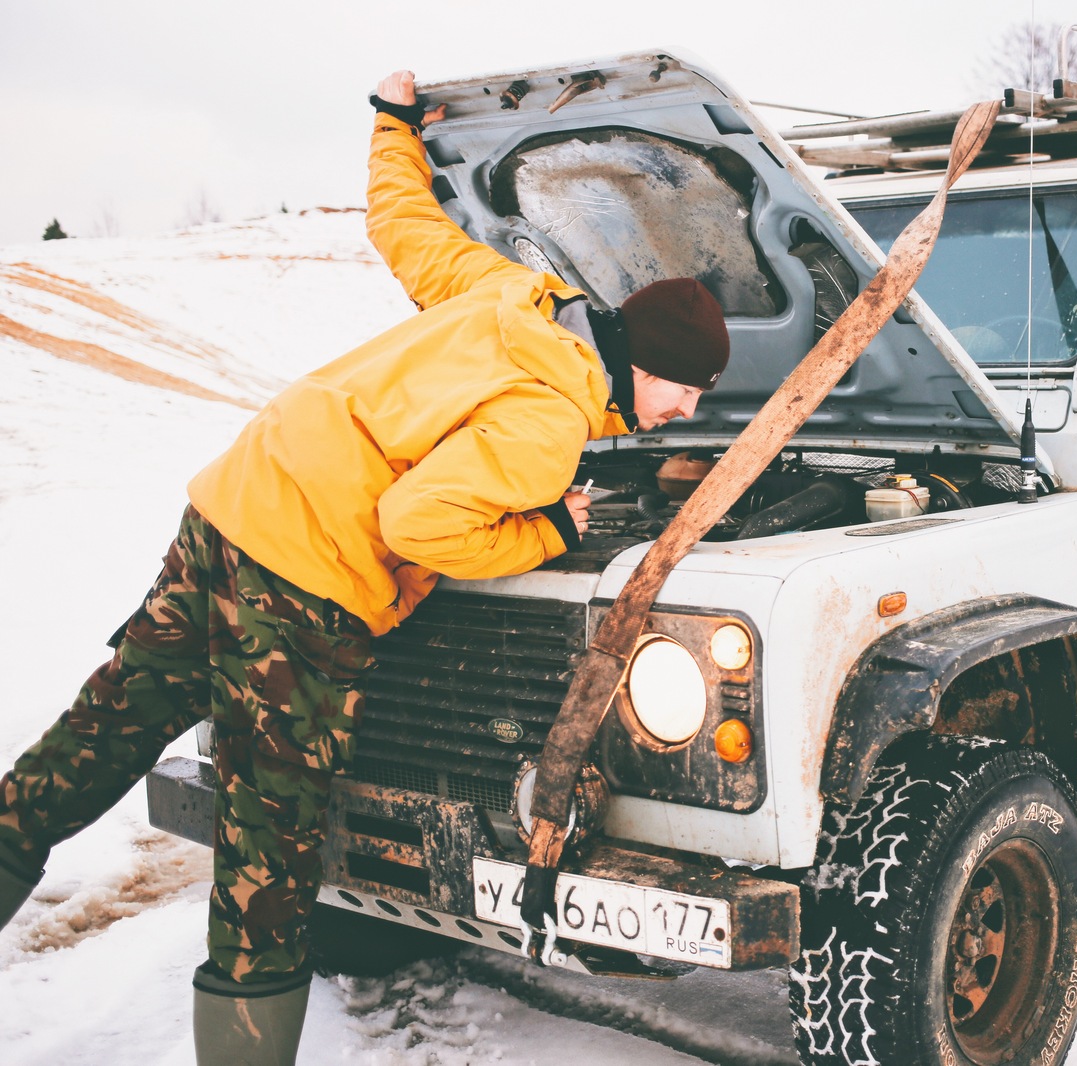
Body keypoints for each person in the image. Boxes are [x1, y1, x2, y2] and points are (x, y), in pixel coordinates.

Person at [0, 69, 728, 1064]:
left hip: (230, 507)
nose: (688, 414)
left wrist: (393, 127)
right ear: (643, 367)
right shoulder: (551, 422)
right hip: (300, 577)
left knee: (109, 721)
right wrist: (550, 530)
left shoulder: (514, 293)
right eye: (685, 391)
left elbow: (404, 227)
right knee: (272, 843)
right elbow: (419, 520)